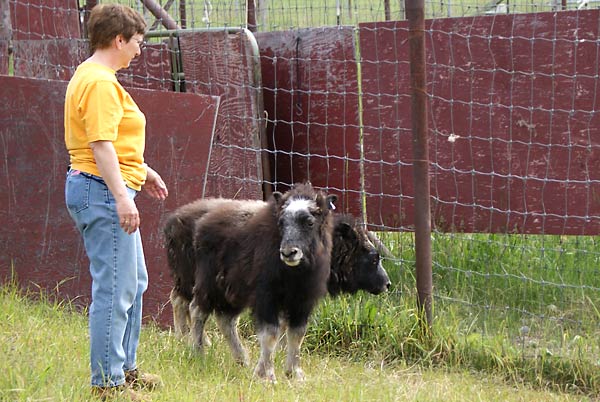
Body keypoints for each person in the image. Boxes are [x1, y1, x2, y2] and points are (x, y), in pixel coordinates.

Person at [64, 4, 167, 400]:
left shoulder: (94, 76)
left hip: (105, 185)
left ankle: (125, 368)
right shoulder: (100, 83)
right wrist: (123, 198)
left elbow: (113, 142)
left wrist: (144, 170)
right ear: (118, 40)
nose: (139, 50)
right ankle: (107, 384)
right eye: (137, 42)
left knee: (133, 282)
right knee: (114, 290)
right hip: (102, 191)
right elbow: (100, 144)